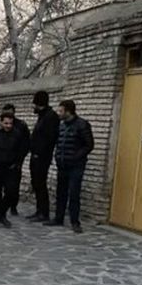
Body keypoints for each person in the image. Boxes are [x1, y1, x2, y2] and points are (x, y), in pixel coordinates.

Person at [44, 99, 94, 233]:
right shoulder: (61, 125)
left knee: (74, 194)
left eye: (61, 111)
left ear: (68, 111)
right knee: (61, 193)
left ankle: (75, 221)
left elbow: (89, 145)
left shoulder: (82, 125)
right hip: (62, 164)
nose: (59, 113)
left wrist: (75, 157)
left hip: (76, 166)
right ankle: (58, 218)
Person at [27, 91, 60, 222]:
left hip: (42, 157)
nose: (33, 107)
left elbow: (49, 139)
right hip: (36, 156)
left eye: (34, 104)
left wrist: (39, 153)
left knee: (40, 184)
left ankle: (44, 212)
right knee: (36, 183)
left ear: (39, 104)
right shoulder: (43, 116)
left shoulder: (51, 117)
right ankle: (39, 210)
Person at [0, 104, 30, 217]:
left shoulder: (21, 126)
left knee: (13, 187)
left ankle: (13, 206)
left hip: (15, 162)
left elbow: (26, 143)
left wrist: (19, 160)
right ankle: (1, 209)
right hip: (1, 162)